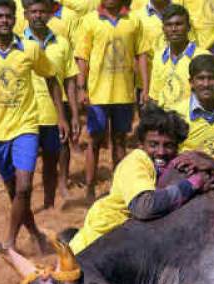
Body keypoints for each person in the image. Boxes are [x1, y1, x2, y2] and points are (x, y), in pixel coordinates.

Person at [0, 0, 68, 252]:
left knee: (25, 186)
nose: (5, 20)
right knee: (16, 191)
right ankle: (35, 233)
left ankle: (10, 242)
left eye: (9, 16)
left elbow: (51, 78)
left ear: (16, 18)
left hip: (27, 127)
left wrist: (61, 115)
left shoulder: (30, 48)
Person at [68, 102, 214, 254]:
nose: (161, 152)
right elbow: (144, 207)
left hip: (124, 246)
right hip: (93, 247)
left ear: (177, 146)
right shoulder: (136, 161)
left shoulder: (176, 164)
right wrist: (191, 185)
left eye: (168, 145)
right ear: (141, 144)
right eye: (153, 144)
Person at [75, 0, 149, 202]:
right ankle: (90, 188)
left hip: (124, 93)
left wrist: (145, 87)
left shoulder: (133, 20)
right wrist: (82, 88)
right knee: (95, 140)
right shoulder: (90, 20)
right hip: (98, 93)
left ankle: (118, 188)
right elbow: (82, 57)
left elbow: (141, 54)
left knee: (120, 141)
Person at [23, 0, 81, 209]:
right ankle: (24, 204)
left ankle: (56, 193)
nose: (38, 15)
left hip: (56, 110)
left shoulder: (62, 43)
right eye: (34, 12)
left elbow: (70, 80)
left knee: (54, 157)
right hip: (27, 113)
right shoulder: (18, 44)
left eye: (42, 12)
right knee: (26, 164)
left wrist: (74, 114)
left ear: (49, 15)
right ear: (26, 15)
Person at [148, 4, 209, 111]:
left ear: (189, 27)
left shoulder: (202, 56)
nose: (174, 29)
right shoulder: (159, 57)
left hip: (192, 121)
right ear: (163, 29)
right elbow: (155, 97)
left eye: (179, 24)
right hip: (165, 121)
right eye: (169, 25)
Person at [133, 0, 170, 105]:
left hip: (175, 83)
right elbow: (136, 54)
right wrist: (144, 88)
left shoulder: (180, 13)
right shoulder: (137, 16)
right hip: (146, 86)